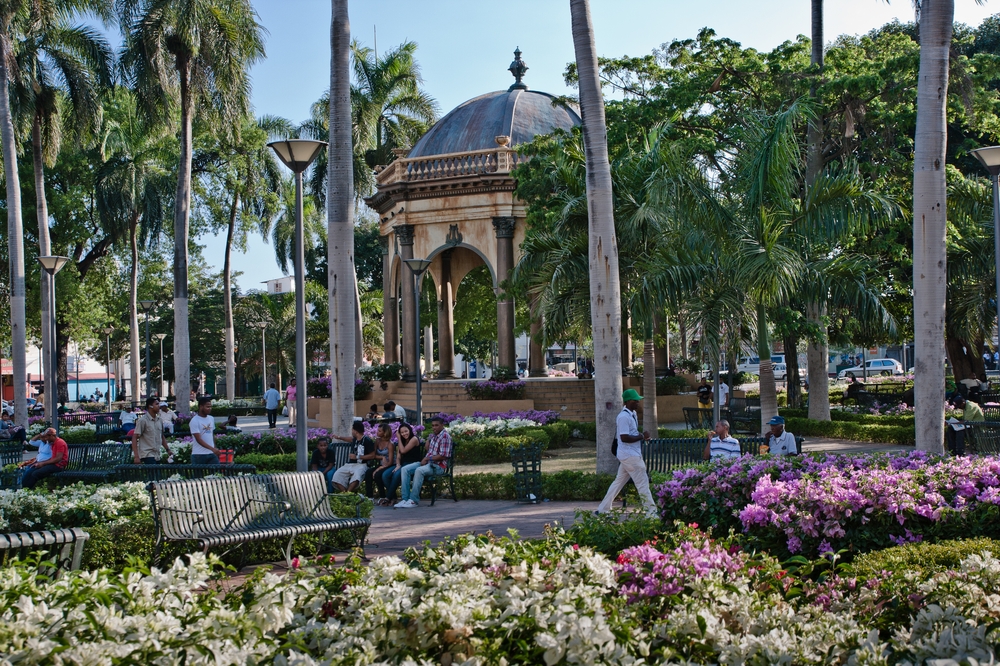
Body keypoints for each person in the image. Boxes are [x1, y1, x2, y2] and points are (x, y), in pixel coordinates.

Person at [594, 389, 658, 517]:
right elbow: (624, 437)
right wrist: (641, 436)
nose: (638, 402)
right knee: (642, 483)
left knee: (618, 482)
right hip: (630, 456)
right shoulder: (623, 417)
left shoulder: (632, 414)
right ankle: (651, 513)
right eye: (635, 400)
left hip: (629, 455)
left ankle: (603, 509)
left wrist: (640, 436)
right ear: (628, 401)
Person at [396, 416, 452, 508]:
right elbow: (430, 450)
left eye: (436, 425)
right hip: (428, 463)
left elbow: (443, 455)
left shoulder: (445, 436)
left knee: (419, 470)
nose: (434, 427)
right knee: (405, 469)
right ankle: (405, 499)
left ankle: (413, 500)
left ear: (442, 425)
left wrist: (427, 459)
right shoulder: (434, 435)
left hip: (438, 466)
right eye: (433, 425)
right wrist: (428, 443)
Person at [331, 421, 375, 493]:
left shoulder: (367, 441)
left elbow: (372, 455)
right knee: (337, 475)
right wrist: (339, 437)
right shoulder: (355, 439)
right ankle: (346, 494)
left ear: (355, 431)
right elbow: (350, 439)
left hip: (362, 465)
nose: (351, 431)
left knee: (357, 476)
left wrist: (357, 457)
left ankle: (348, 494)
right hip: (350, 464)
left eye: (352, 429)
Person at [384, 422, 420, 504]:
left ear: (410, 430)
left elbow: (403, 451)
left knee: (396, 475)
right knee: (385, 475)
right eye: (402, 432)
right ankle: (393, 497)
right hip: (403, 465)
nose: (404, 434)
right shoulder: (402, 441)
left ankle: (388, 498)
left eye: (406, 431)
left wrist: (399, 438)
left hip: (412, 464)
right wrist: (398, 464)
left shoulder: (414, 439)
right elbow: (399, 456)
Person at [132, 397, 173, 464]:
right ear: (150, 406)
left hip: (157, 454)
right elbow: (135, 437)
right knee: (153, 473)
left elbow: (161, 436)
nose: (159, 406)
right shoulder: (143, 420)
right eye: (156, 404)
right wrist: (136, 456)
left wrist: (168, 450)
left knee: (157, 474)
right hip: (147, 454)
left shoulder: (159, 420)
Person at [367, 423, 395, 503]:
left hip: (389, 465)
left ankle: (382, 495)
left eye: (379, 431)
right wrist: (382, 457)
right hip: (381, 464)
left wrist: (379, 468)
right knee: (368, 473)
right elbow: (373, 455)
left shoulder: (390, 444)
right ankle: (369, 497)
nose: (377, 432)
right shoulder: (377, 441)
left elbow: (390, 462)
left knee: (378, 474)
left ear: (385, 433)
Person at [189, 397, 222, 465]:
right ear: (201, 407)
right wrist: (212, 449)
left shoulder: (211, 418)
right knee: (198, 475)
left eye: (210, 407)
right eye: (207, 407)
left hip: (211, 454)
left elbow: (211, 435)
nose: (210, 409)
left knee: (217, 474)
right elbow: (198, 439)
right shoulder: (195, 421)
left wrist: (214, 448)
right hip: (198, 454)